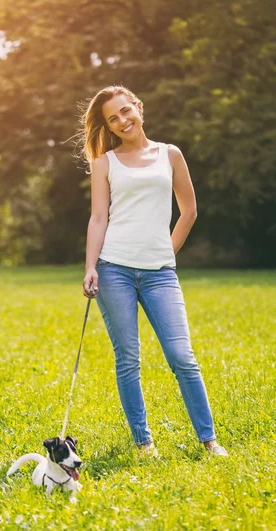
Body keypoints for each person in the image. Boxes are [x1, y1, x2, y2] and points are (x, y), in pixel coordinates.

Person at [79, 85, 228, 457]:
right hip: (114, 270)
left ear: (139, 108)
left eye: (126, 111)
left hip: (160, 272)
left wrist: (168, 248)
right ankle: (144, 444)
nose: (122, 121)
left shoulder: (170, 154)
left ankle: (209, 441)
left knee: (182, 357)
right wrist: (91, 267)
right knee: (128, 358)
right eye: (113, 119)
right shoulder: (104, 163)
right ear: (109, 127)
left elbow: (189, 210)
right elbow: (98, 218)